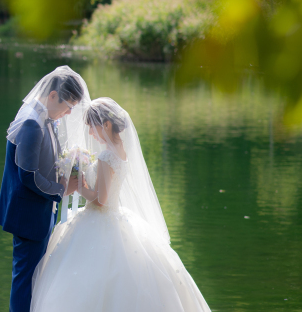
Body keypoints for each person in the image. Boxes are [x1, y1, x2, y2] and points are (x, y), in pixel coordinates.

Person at [31, 98, 212, 312]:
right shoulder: (120, 149)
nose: (90, 133)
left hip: (99, 219)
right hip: (116, 216)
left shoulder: (107, 156)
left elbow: (100, 200)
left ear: (106, 125)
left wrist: (79, 185)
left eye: (92, 126)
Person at [0, 66, 91, 312]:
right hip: (28, 215)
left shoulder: (45, 117)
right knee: (25, 281)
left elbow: (46, 159)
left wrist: (69, 165)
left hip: (39, 211)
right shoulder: (31, 122)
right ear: (52, 96)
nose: (69, 112)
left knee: (34, 278)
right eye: (68, 105)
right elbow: (28, 175)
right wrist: (61, 189)